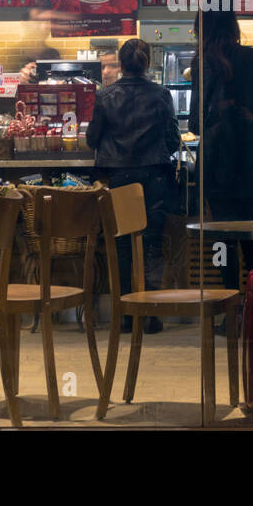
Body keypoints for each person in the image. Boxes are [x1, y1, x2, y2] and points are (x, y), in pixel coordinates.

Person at [87, 39, 181, 334]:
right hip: (154, 177)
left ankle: (126, 315)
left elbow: (92, 139)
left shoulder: (105, 96)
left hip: (119, 179)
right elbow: (173, 140)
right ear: (147, 63)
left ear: (122, 64)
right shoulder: (161, 94)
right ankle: (150, 315)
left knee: (123, 247)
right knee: (152, 245)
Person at [188, 10, 253, 292]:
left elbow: (195, 123)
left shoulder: (203, 63)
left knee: (222, 239)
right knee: (251, 237)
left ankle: (229, 306)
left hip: (218, 168)